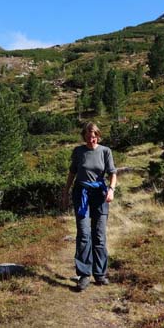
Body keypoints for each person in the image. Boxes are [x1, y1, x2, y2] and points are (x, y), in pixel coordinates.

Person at [61, 121, 117, 290]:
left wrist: (111, 189)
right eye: (88, 136)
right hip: (81, 195)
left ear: (98, 136)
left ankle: (100, 274)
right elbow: (72, 172)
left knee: (99, 235)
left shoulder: (105, 151)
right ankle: (84, 274)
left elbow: (113, 173)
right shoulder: (78, 152)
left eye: (94, 136)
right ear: (84, 136)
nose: (91, 139)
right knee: (84, 234)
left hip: (99, 195)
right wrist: (66, 191)